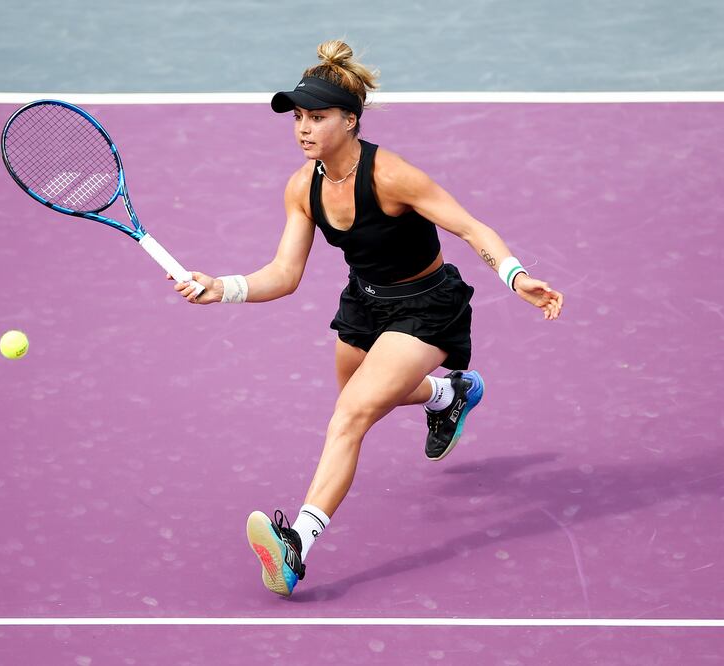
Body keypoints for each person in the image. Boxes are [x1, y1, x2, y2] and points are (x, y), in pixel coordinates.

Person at [172, 40, 564, 597]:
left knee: (351, 416)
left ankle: (296, 547)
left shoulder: (392, 175)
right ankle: (447, 396)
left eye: (318, 116)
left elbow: (470, 228)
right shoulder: (302, 186)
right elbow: (284, 274)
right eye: (299, 118)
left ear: (350, 120)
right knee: (357, 399)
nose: (303, 128)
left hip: (426, 306)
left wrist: (516, 276)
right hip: (364, 303)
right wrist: (223, 288)